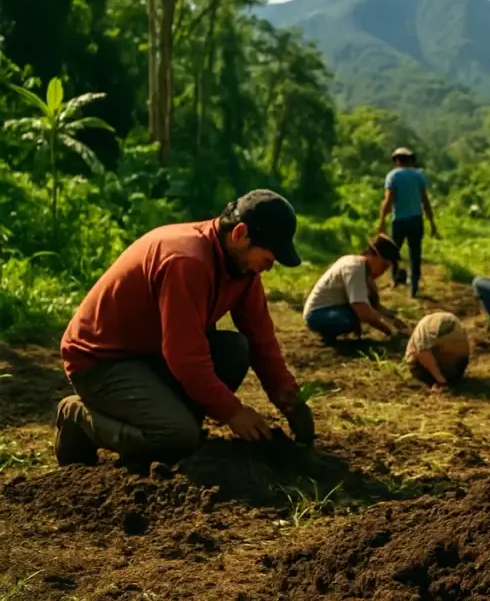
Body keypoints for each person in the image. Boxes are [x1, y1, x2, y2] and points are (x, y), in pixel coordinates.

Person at [55, 189, 317, 467]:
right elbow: (185, 356)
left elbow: (260, 336)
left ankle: (172, 418)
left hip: (150, 353)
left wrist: (287, 397)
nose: (269, 267)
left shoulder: (241, 267)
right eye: (268, 258)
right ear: (240, 234)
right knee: (176, 437)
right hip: (101, 361)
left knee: (235, 349)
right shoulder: (187, 261)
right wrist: (233, 411)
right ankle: (77, 418)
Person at [303, 234, 410, 341]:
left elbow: (373, 305)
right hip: (317, 314)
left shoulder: (362, 269)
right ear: (372, 256)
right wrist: (389, 330)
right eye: (383, 266)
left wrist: (394, 320)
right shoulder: (355, 269)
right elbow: (362, 310)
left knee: (357, 315)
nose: (383, 272)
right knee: (349, 319)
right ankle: (329, 336)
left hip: (333, 309)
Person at [377, 147, 437, 298]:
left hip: (399, 221)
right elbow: (425, 200)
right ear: (410, 160)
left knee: (393, 251)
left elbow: (388, 200)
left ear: (396, 160)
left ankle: (395, 280)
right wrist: (432, 222)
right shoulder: (418, 176)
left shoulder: (392, 176)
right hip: (416, 220)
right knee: (415, 253)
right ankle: (414, 287)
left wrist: (382, 221)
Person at [404, 311, 470, 390]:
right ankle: (447, 376)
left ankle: (439, 378)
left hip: (447, 359)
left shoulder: (425, 325)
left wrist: (441, 382)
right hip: (454, 362)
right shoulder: (450, 319)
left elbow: (421, 352)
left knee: (417, 360)